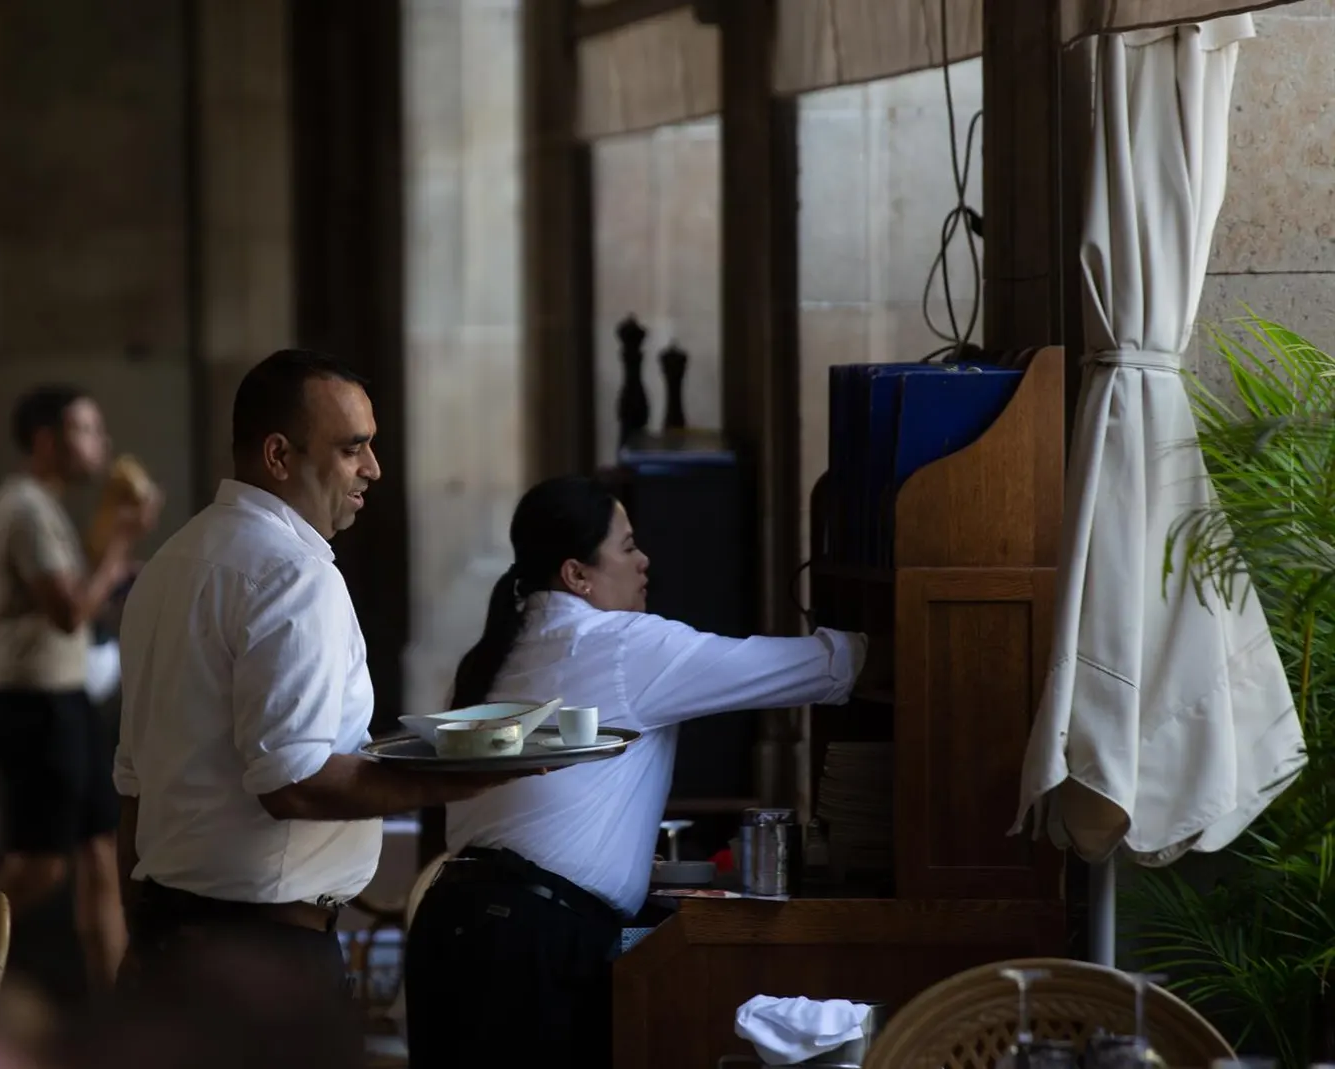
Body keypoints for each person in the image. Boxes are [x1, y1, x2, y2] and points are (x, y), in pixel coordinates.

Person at [112, 349, 530, 1011]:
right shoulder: (293, 574)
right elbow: (292, 782)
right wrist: (465, 776)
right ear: (279, 455)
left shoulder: (170, 562)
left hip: (169, 937)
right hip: (262, 964)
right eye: (351, 448)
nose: (373, 469)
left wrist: (138, 935)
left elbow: (133, 785)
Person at [403, 476, 869, 1068]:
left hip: (450, 921)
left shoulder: (490, 656)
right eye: (627, 546)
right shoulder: (625, 646)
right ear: (577, 574)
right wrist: (901, 634)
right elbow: (818, 669)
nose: (644, 560)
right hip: (529, 942)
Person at [0, 385, 159, 994]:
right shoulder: (25, 508)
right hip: (34, 701)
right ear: (46, 440)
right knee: (39, 867)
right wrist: (121, 543)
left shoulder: (43, 507)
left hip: (64, 696)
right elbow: (69, 611)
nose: (101, 443)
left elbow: (81, 600)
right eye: (86, 429)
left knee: (101, 852)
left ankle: (115, 1009)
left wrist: (118, 568)